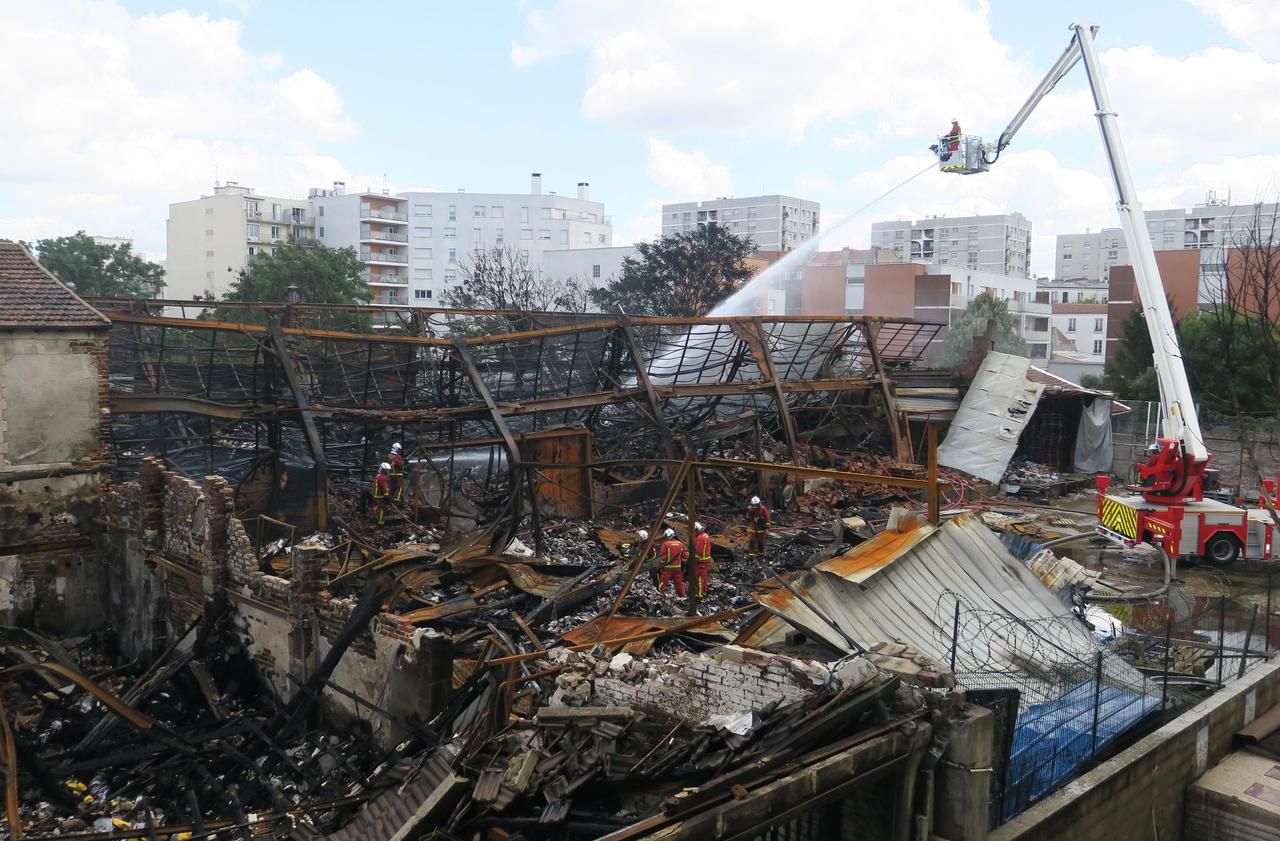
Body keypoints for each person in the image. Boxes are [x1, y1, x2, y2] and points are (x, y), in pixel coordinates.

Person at [657, 528, 688, 597]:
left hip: (668, 568)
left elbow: (663, 557)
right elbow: (685, 556)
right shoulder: (680, 544)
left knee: (663, 582)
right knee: (679, 583)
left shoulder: (666, 544)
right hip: (677, 568)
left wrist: (660, 565)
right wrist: (683, 565)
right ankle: (683, 596)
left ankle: (659, 594)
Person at [692, 522, 713, 599]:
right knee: (703, 577)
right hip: (706, 560)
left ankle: (699, 594)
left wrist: (693, 560)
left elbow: (699, 552)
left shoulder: (700, 538)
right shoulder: (706, 536)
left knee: (699, 578)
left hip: (701, 561)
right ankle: (704, 592)